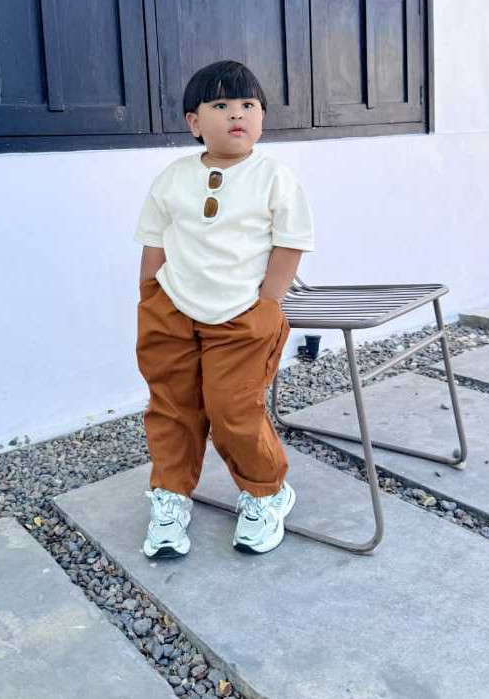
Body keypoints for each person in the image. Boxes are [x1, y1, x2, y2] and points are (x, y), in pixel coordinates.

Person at [133, 60, 315, 558]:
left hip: (242, 314)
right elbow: (154, 241)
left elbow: (290, 244)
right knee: (172, 406)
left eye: (247, 104)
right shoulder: (172, 178)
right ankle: (170, 495)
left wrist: (268, 305)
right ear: (194, 122)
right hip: (172, 309)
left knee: (232, 408)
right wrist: (149, 296)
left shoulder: (273, 177)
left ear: (261, 117)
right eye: (221, 104)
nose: (237, 113)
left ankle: (267, 492)